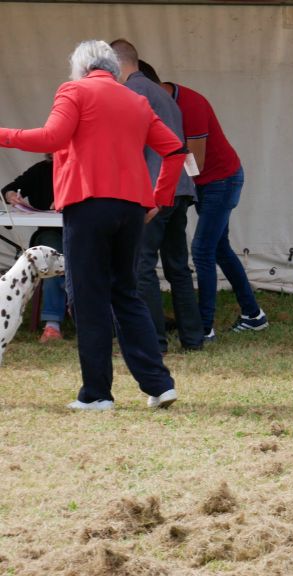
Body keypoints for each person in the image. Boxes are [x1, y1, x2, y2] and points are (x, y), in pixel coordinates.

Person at [0, 40, 185, 410]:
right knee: (125, 294)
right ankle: (159, 385)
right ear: (113, 68)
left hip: (88, 205)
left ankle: (97, 394)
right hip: (131, 208)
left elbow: (51, 138)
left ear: (81, 68)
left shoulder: (74, 90)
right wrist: (159, 197)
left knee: (88, 298)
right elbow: (175, 150)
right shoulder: (136, 100)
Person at [153, 72, 268, 341]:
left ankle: (204, 327)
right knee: (219, 248)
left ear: (156, 88)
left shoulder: (190, 104)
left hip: (221, 181)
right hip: (205, 183)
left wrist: (167, 181)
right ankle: (253, 315)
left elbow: (197, 165)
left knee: (202, 250)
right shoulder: (161, 103)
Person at [109, 40, 204, 355]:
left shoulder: (130, 93)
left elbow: (129, 147)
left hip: (154, 189)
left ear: (114, 63)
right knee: (178, 266)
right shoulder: (162, 94)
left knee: (142, 266)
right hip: (180, 187)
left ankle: (154, 342)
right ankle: (193, 338)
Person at [1, 155, 66, 343]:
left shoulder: (85, 169)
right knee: (50, 254)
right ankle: (52, 325)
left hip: (82, 233)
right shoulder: (42, 169)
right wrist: (11, 195)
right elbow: (8, 189)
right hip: (49, 234)